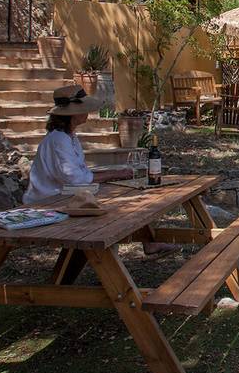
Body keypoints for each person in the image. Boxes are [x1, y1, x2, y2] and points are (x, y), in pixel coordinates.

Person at [23, 85, 178, 254]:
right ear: (73, 114)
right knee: (120, 205)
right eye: (84, 108)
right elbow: (76, 179)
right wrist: (115, 174)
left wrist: (114, 175)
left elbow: (80, 173)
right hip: (49, 202)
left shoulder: (69, 137)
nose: (87, 113)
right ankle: (128, 251)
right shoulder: (59, 139)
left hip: (65, 195)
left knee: (128, 197)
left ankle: (149, 243)